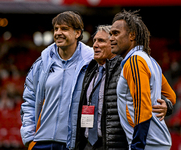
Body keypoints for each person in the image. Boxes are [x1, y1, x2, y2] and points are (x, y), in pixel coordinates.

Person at [74, 25, 173, 150]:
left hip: (117, 145)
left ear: (113, 43)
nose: (95, 45)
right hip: (89, 145)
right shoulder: (90, 70)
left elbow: (159, 94)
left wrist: (166, 105)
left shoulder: (128, 66)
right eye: (94, 41)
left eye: (101, 41)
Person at [20, 11, 94, 150]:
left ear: (77, 33)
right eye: (56, 29)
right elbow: (29, 100)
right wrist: (29, 138)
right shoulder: (42, 64)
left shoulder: (91, 64)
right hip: (41, 142)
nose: (58, 33)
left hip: (74, 144)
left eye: (64, 29)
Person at [110, 10, 176, 150]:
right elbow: (171, 96)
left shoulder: (134, 61)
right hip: (156, 142)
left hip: (148, 144)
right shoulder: (150, 61)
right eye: (110, 34)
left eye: (116, 33)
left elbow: (142, 106)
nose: (111, 38)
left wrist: (137, 146)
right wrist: (166, 106)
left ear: (132, 35)